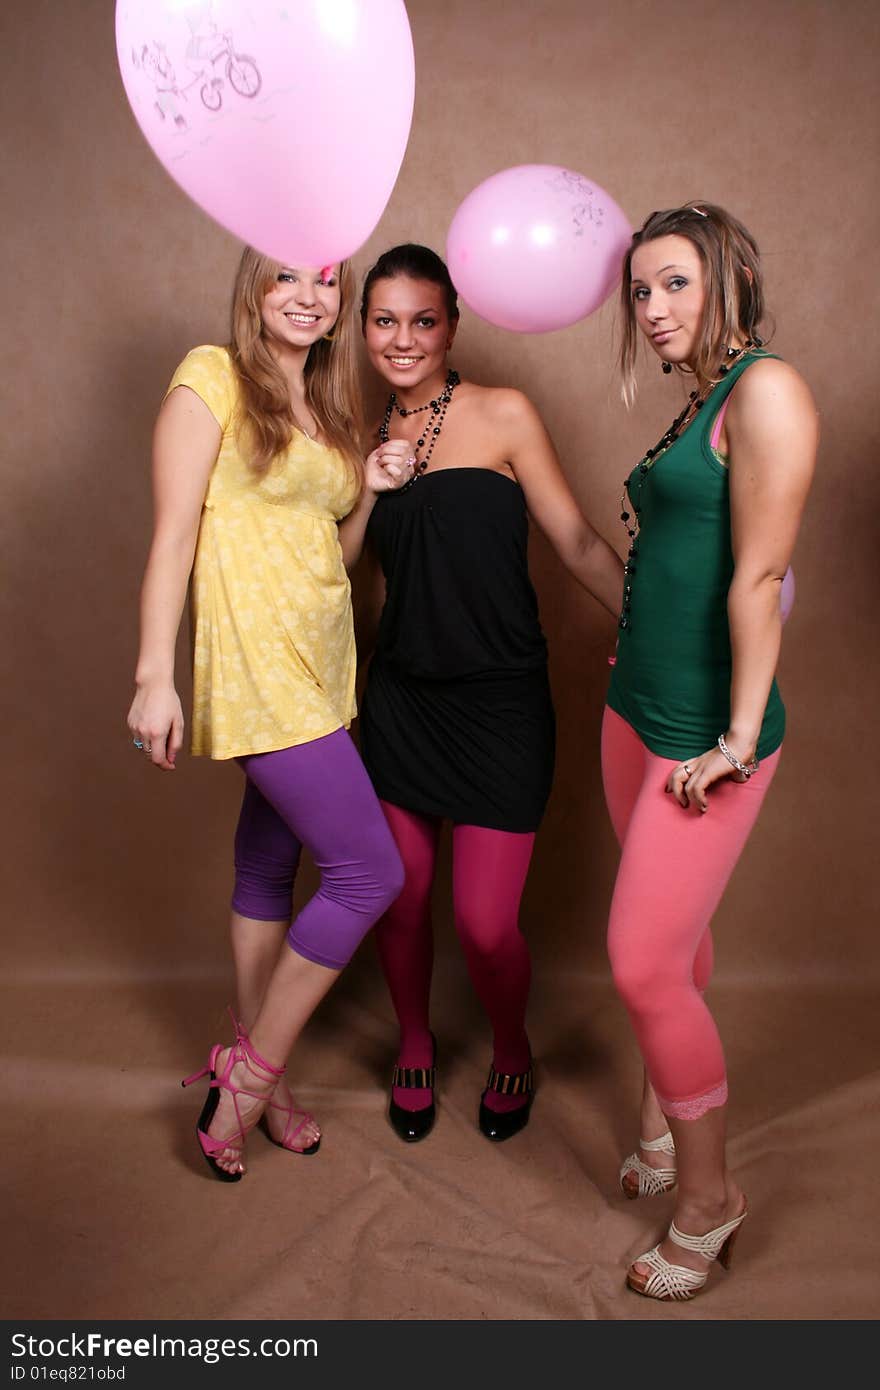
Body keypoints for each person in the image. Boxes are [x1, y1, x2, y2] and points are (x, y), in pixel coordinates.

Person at [126, 248, 412, 1182]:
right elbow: (173, 535)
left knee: (268, 860)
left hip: (325, 661)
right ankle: (246, 1083)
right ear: (254, 286)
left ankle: (266, 1082)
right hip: (255, 662)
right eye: (287, 275)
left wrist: (367, 485)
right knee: (370, 872)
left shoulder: (331, 409)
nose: (308, 295)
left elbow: (338, 549)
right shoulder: (210, 376)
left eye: (327, 280)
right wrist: (151, 677)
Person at [338, 244, 624, 1144]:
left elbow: (576, 541)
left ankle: (511, 1047)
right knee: (404, 897)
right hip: (403, 702)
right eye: (385, 320)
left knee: (485, 922)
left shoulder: (504, 413)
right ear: (362, 331)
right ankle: (414, 1041)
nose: (404, 338)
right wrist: (361, 494)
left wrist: (651, 626)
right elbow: (329, 577)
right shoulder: (355, 439)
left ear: (452, 324)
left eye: (424, 319)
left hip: (502, 705)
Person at [604, 203, 818, 1298]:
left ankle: (708, 1199)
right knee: (674, 948)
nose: (651, 309)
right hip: (629, 711)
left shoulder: (766, 391)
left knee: (640, 960)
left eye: (674, 283)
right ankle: (655, 1125)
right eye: (640, 289)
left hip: (705, 735)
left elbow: (755, 577)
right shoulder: (699, 404)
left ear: (729, 276)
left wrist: (735, 738)